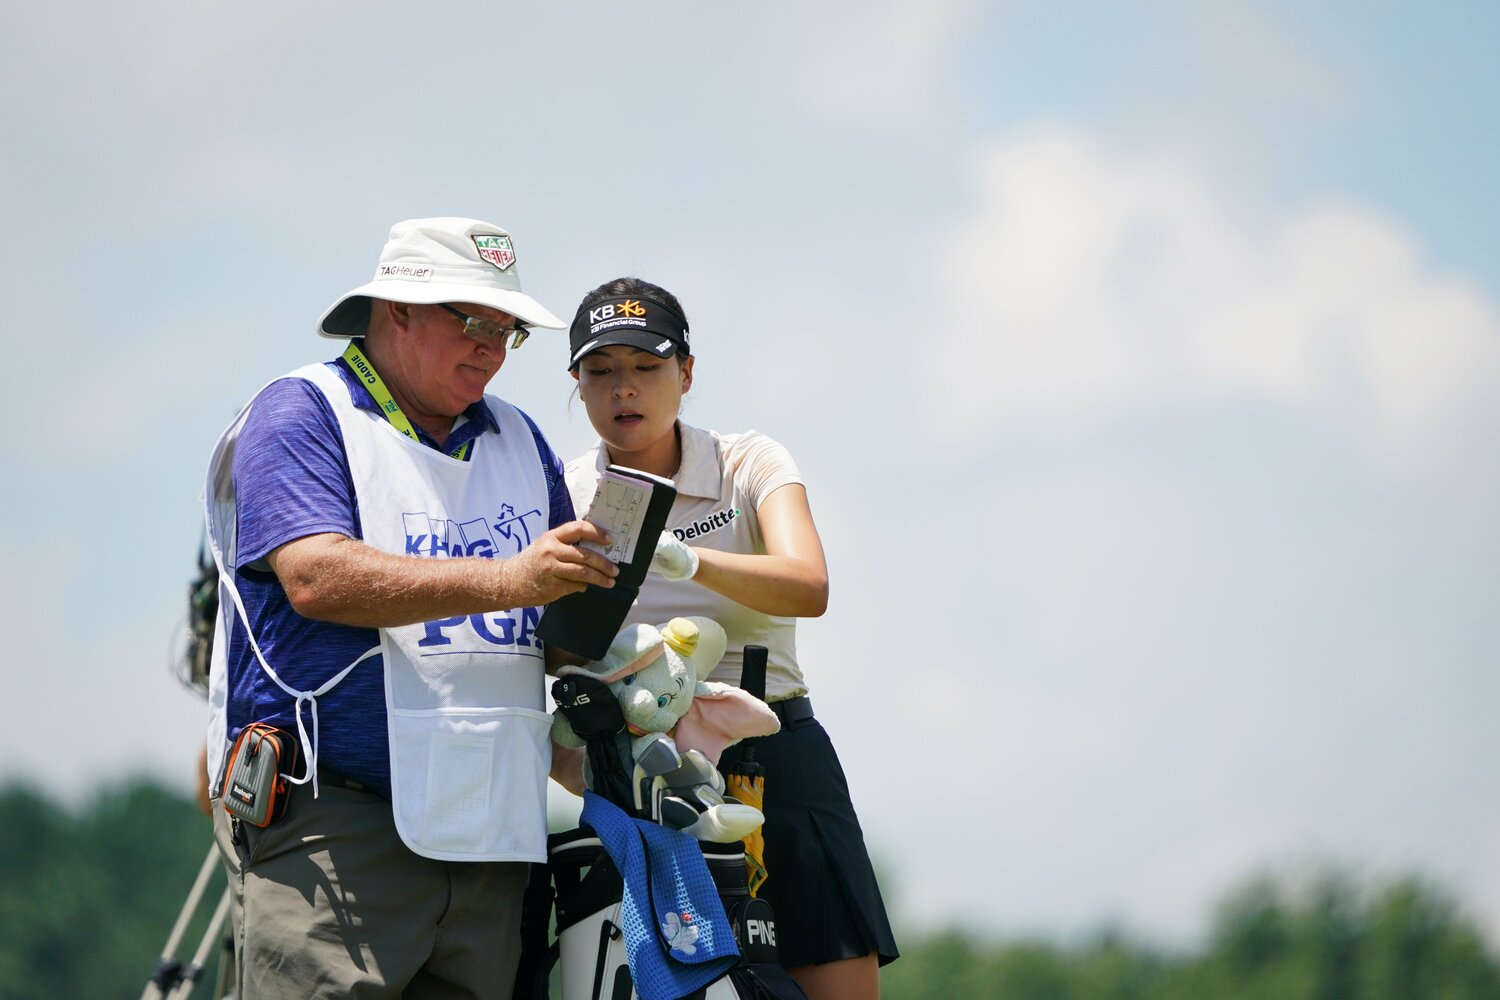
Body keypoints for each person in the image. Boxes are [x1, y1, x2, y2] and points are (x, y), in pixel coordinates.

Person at [201, 217, 618, 999]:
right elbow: (317, 578)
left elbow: (547, 630)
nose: (494, 348)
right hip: (338, 830)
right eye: (473, 322)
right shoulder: (301, 413)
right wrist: (511, 582)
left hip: (495, 835)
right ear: (396, 311)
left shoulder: (523, 441)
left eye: (508, 331)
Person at [562, 278, 899, 1000]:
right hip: (641, 783)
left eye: (646, 368)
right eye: (602, 371)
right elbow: (555, 659)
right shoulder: (563, 492)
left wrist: (686, 559)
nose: (625, 390)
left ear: (686, 372)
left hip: (779, 754)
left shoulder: (749, 462)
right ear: (578, 385)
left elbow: (809, 584)